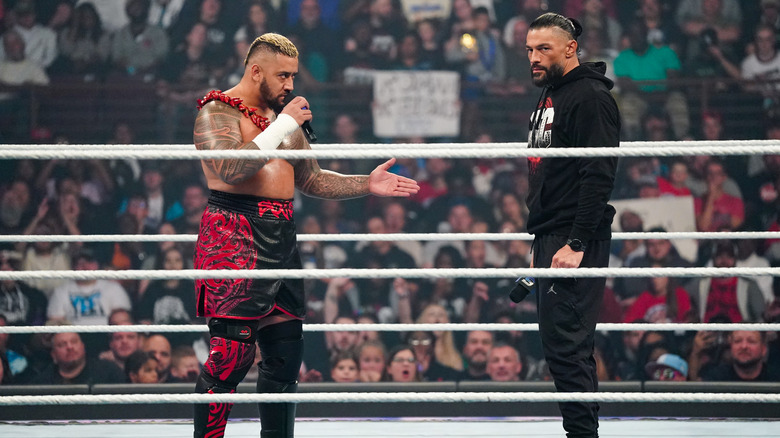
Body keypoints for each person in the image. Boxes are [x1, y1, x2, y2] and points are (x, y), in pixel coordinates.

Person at [191, 32, 419, 438]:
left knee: (284, 358)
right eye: (283, 75)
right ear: (256, 71)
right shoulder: (217, 111)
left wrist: (367, 183)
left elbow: (312, 179)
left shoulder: (284, 120)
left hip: (281, 236)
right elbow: (230, 169)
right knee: (230, 358)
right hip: (234, 236)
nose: (290, 85)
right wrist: (283, 124)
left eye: (293, 76)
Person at [522, 13, 620, 438]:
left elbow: (599, 173)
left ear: (570, 48)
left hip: (574, 237)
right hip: (554, 234)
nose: (534, 57)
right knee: (563, 346)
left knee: (568, 346)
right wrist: (543, 240)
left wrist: (576, 241)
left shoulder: (589, 97)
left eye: (544, 49)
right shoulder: (552, 94)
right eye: (529, 50)